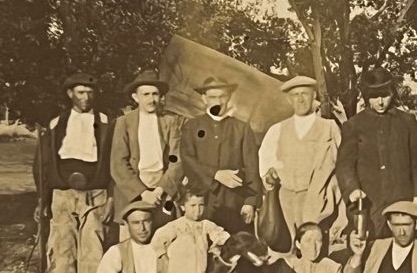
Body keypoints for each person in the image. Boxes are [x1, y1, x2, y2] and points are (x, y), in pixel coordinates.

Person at [32, 72, 115, 273]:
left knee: (93, 246)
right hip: (63, 193)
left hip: (95, 192)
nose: (86, 97)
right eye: (80, 92)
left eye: (90, 92)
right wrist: (42, 200)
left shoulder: (106, 123)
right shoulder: (57, 124)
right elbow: (44, 165)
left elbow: (114, 163)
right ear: (70, 94)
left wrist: (111, 197)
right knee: (61, 247)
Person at [337, 66, 417, 240]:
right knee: (370, 252)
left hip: (403, 201)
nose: (380, 102)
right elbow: (345, 164)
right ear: (366, 97)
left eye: (385, 95)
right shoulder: (353, 125)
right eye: (374, 97)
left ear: (392, 93)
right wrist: (352, 189)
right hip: (370, 203)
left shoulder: (407, 122)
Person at [258, 75, 342, 242]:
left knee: (314, 248)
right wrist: (268, 176)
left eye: (305, 94)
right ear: (290, 100)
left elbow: (341, 165)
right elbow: (265, 161)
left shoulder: (329, 127)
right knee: (287, 251)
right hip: (285, 201)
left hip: (318, 200)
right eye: (296, 95)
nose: (301, 99)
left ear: (314, 97)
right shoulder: (277, 129)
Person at [178, 76, 262, 235]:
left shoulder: (241, 128)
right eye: (213, 97)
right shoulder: (192, 127)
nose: (218, 101)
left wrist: (250, 202)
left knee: (234, 247)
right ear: (204, 99)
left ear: (229, 97)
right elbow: (188, 161)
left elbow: (252, 167)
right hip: (202, 201)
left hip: (234, 202)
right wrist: (215, 174)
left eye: (222, 96)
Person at [110, 70, 184, 238]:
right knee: (132, 244)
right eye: (146, 94)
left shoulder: (170, 122)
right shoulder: (124, 123)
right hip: (133, 191)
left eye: (155, 94)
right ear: (135, 97)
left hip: (162, 190)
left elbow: (177, 160)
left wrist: (160, 190)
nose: (151, 99)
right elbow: (118, 163)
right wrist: (142, 193)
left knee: (163, 241)